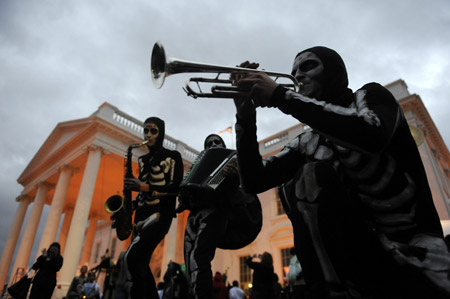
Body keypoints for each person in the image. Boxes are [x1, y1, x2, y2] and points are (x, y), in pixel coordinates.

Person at [232, 47, 450, 298]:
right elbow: (253, 181)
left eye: (307, 66)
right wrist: (245, 116)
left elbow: (372, 134)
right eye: (294, 72)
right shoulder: (307, 140)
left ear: (334, 72)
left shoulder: (371, 96)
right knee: (307, 178)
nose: (297, 76)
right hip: (358, 260)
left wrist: (281, 97)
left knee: (311, 174)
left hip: (419, 254)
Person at [180, 134, 261, 299]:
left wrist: (234, 176)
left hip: (223, 214)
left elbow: (245, 186)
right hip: (199, 217)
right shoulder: (200, 165)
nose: (213, 145)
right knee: (190, 258)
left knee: (199, 257)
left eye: (217, 142)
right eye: (209, 143)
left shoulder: (234, 161)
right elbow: (192, 196)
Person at [121, 116, 184, 299]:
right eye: (146, 130)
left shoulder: (173, 157)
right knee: (139, 262)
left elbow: (177, 188)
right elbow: (142, 192)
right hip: (140, 215)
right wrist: (128, 206)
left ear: (161, 133)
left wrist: (145, 187)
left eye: (153, 131)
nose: (148, 134)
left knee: (131, 258)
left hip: (159, 215)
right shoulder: (142, 160)